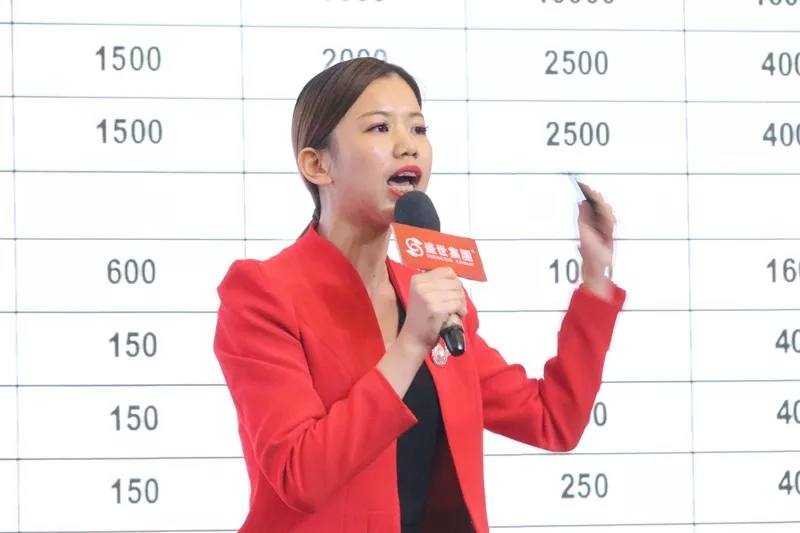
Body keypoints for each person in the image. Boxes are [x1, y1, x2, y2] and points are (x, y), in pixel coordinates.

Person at [213, 57, 626, 533]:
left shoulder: (430, 295)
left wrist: (595, 277)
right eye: (379, 127)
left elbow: (553, 420)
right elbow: (299, 476)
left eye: (418, 128)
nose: (407, 144)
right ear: (317, 164)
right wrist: (409, 345)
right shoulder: (264, 293)